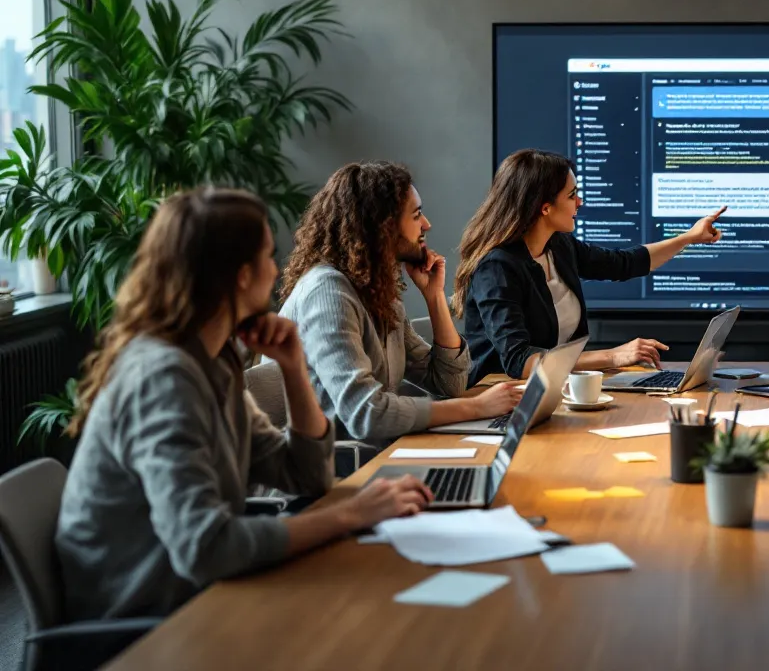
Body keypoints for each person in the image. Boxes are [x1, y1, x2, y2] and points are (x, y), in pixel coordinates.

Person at [56, 188, 433, 623]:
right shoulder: (164, 378)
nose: (277, 270)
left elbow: (306, 476)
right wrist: (350, 514)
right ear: (240, 275)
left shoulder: (213, 361)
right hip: (143, 622)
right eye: (269, 256)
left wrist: (294, 367)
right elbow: (205, 548)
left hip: (193, 593)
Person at [279, 163, 522, 452]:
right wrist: (475, 408)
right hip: (337, 474)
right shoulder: (328, 293)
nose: (427, 224)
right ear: (382, 225)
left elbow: (449, 384)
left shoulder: (376, 290)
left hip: (377, 456)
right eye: (417, 215)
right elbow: (366, 413)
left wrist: (434, 297)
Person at [454, 148, 726, 385]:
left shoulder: (559, 246)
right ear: (544, 207)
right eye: (572, 195)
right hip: (497, 395)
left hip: (551, 390)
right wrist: (613, 356)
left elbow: (625, 264)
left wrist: (691, 237)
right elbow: (518, 362)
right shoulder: (497, 267)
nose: (580, 202)